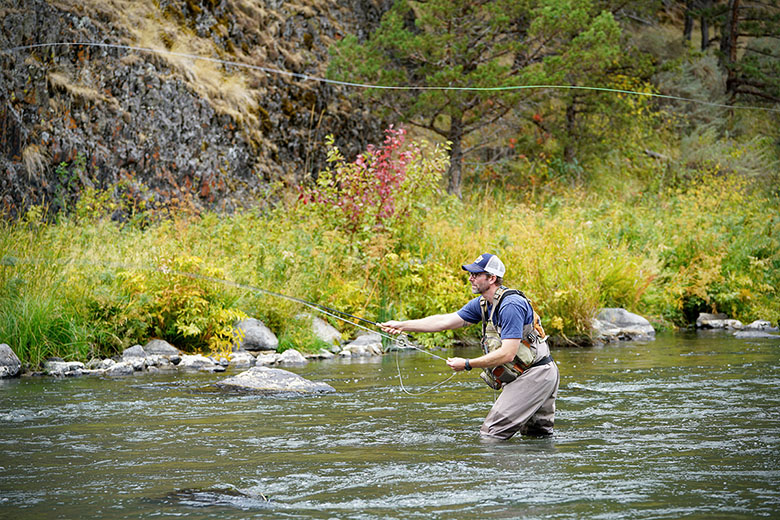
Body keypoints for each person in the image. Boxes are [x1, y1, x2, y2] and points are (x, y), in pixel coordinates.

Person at [379, 253, 559, 440]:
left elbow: (508, 353)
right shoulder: (484, 304)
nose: (470, 278)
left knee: (491, 434)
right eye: (470, 274)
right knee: (538, 437)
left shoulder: (511, 305)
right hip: (535, 373)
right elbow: (444, 321)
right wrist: (402, 325)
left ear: (492, 278)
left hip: (535, 375)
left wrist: (467, 363)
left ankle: (499, 470)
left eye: (476, 274)